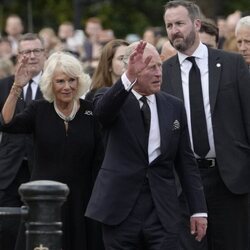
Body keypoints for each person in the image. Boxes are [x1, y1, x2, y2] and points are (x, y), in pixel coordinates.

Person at [85, 40, 207, 250]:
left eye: (160, 66)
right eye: (152, 67)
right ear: (133, 69)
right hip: (120, 210)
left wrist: (198, 210)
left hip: (162, 210)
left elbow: (186, 162)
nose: (159, 73)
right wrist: (128, 78)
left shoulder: (173, 106)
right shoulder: (109, 97)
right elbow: (103, 113)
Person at [162, 1, 250, 250]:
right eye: (169, 25)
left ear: (197, 24)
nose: (174, 30)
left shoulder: (232, 64)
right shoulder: (163, 73)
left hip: (230, 180)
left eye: (179, 23)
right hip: (185, 184)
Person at [0, 51, 104, 250]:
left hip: (81, 201)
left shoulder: (91, 112)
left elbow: (100, 158)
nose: (67, 87)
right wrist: (17, 87)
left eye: (72, 80)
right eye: (60, 81)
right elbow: (7, 123)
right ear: (50, 83)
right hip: (44, 200)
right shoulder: (39, 110)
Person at [0, 33, 46, 250]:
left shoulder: (56, 84)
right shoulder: (4, 85)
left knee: (42, 228)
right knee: (8, 229)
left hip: (44, 166)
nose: (32, 56)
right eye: (26, 51)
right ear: (18, 56)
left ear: (45, 54)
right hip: (10, 170)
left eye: (36, 51)